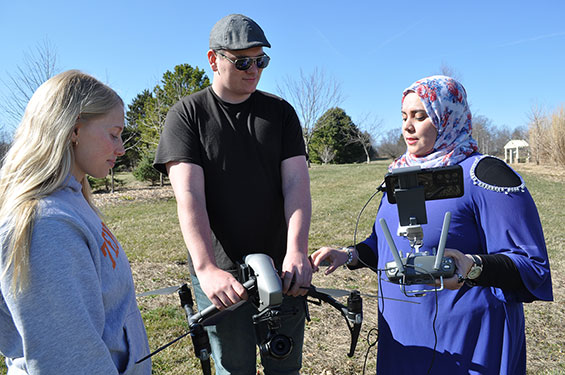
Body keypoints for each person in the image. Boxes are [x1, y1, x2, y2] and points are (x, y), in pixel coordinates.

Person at [311, 75, 553, 374]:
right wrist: (348, 255)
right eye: (404, 117)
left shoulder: (486, 174)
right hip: (403, 335)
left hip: (470, 339)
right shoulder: (402, 175)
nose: (407, 127)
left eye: (420, 116)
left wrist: (471, 267)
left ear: (446, 116)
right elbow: (387, 245)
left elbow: (532, 265)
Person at [153, 14, 312, 375]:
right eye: (242, 61)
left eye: (261, 61)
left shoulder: (281, 113)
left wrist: (297, 250)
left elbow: (297, 185)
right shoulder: (188, 115)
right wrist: (206, 268)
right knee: (234, 367)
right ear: (214, 60)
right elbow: (189, 197)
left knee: (285, 365)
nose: (253, 69)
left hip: (281, 270)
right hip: (221, 273)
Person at [0, 70, 151, 374]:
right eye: (113, 134)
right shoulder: (46, 227)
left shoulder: (73, 203)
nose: (121, 149)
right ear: (74, 129)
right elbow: (70, 361)